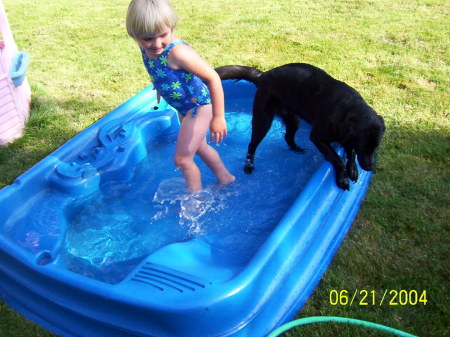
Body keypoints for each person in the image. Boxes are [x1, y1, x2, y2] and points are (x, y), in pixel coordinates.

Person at [126, 0, 235, 193]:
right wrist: (160, 86)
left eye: (163, 35)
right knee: (200, 148)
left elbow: (213, 78)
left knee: (182, 160)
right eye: (148, 39)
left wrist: (218, 117)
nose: (156, 44)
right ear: (134, 35)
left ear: (172, 27)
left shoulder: (178, 53)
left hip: (198, 107)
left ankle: (195, 202)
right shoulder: (146, 47)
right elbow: (161, 70)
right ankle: (226, 178)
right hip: (184, 107)